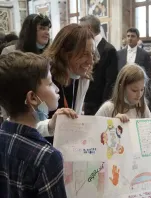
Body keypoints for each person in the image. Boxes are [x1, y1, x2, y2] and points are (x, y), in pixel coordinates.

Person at [0, 52, 75, 197]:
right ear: (33, 98)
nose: (57, 89)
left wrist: (50, 126)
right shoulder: (48, 158)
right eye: (50, 83)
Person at [38, 24, 96, 144]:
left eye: (92, 53)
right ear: (65, 53)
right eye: (85, 54)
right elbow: (29, 125)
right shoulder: (44, 77)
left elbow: (76, 112)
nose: (91, 61)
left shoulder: (83, 78)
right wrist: (50, 124)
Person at [80, 15, 118, 115]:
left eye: (81, 28)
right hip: (87, 101)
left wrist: (105, 105)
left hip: (100, 103)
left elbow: (111, 82)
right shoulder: (83, 46)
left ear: (88, 28)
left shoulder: (109, 49)